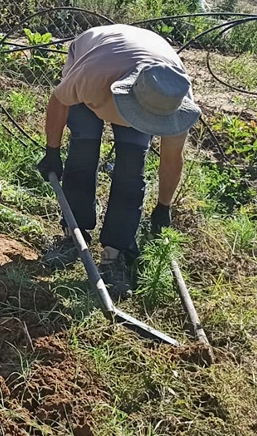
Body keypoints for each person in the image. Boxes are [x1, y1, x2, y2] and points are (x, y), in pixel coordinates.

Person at [36, 24, 201, 299]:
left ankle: (115, 253)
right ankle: (73, 235)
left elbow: (172, 159)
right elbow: (59, 100)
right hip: (100, 56)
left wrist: (163, 207)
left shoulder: (173, 102)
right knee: (83, 150)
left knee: (131, 169)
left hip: (146, 60)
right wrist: (52, 150)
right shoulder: (92, 76)